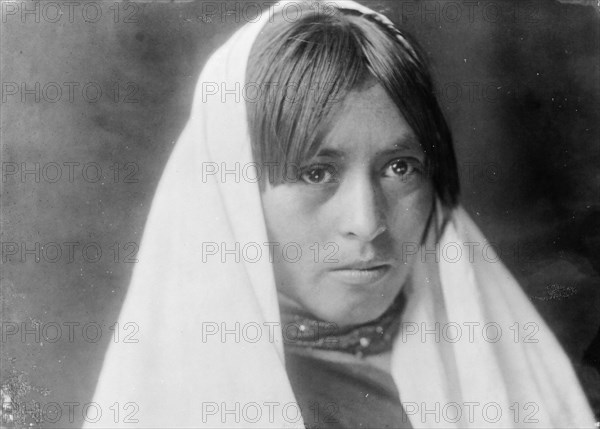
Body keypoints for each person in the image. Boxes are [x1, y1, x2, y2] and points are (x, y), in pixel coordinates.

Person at [85, 1, 596, 428]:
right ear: (231, 196)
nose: (367, 222)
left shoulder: (488, 354)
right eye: (315, 173)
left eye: (400, 167)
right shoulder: (186, 400)